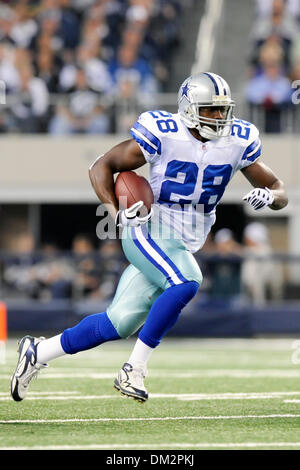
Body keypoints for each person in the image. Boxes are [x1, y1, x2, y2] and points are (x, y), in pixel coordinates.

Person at [10, 72, 288, 403]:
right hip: (148, 227)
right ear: (188, 109)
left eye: (223, 109)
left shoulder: (237, 140)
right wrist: (115, 212)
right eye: (211, 110)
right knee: (187, 281)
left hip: (183, 241)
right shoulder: (165, 133)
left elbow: (278, 188)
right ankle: (135, 369)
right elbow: (101, 165)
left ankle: (38, 352)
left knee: (118, 322)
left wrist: (271, 198)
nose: (220, 117)